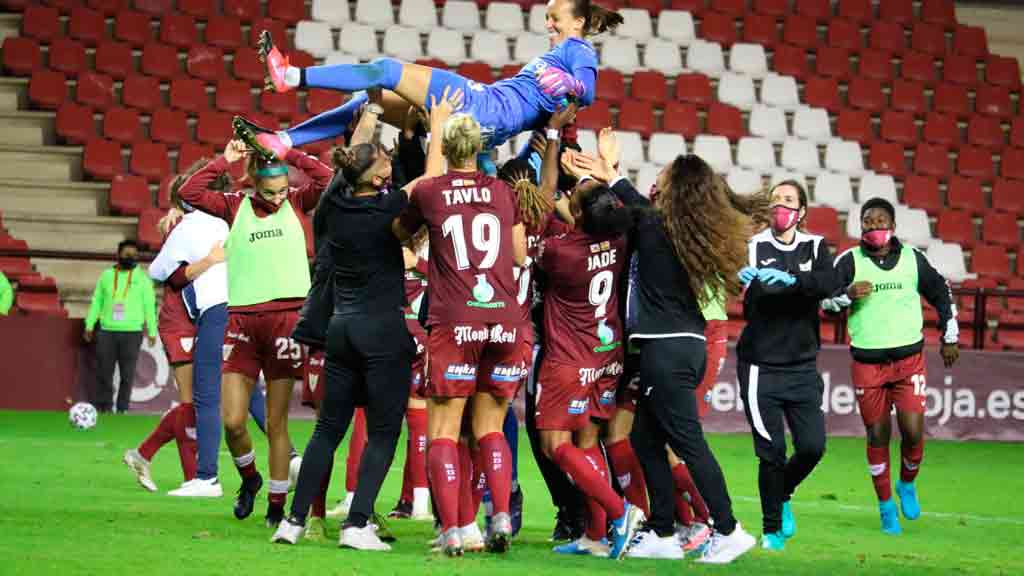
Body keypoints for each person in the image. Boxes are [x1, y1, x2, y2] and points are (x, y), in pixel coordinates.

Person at [571, 134, 763, 563]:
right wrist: (611, 172)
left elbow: (633, 206)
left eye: (664, 177)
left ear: (678, 188)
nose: (658, 182)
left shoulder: (659, 226)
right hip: (685, 346)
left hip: (667, 350)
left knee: (689, 443)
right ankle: (661, 531)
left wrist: (610, 172)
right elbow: (637, 205)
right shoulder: (685, 231)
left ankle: (729, 529)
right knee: (644, 438)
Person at [273, 101, 438, 550]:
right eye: (385, 160)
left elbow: (355, 159)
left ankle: (291, 522)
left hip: (339, 330)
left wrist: (369, 116)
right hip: (384, 331)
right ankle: (357, 524)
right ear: (381, 177)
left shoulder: (331, 208)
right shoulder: (390, 210)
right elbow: (433, 179)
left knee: (328, 429)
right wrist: (438, 127)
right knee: (384, 431)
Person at [392, 105, 532, 556]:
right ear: (481, 150)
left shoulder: (430, 192)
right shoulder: (503, 192)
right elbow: (516, 256)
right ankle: (501, 517)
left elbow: (399, 230)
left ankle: (453, 530)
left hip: (455, 320)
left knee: (445, 432)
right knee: (490, 427)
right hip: (506, 320)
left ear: (446, 148)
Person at [236, 0, 621, 161]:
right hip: (484, 120)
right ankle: (283, 141)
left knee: (387, 70)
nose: (548, 24)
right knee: (368, 102)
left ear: (579, 23)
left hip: (482, 107)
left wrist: (572, 88)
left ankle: (289, 76)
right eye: (547, 18)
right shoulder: (561, 53)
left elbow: (586, 92)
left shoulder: (578, 50)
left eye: (554, 18)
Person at [177, 137, 332, 525]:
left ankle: (276, 507)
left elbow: (329, 180)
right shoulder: (235, 206)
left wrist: (290, 154)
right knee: (232, 422)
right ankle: (250, 479)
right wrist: (224, 160)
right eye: (270, 192)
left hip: (287, 322)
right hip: (242, 323)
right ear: (253, 186)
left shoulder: (298, 202)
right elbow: (188, 191)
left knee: (277, 422)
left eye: (282, 190)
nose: (278, 198)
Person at [532, 118, 643, 559]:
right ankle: (596, 537)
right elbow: (600, 208)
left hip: (569, 360)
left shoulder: (559, 253)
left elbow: (542, 208)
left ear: (576, 215)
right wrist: (606, 166)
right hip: (608, 355)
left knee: (554, 444)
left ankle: (620, 513)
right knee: (586, 442)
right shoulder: (618, 238)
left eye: (574, 195)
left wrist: (550, 158)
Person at [823, 197, 959, 535]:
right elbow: (825, 303)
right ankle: (886, 508)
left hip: (908, 361)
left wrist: (950, 335)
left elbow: (941, 292)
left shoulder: (913, 259)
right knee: (878, 434)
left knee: (913, 431)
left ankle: (907, 483)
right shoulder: (849, 261)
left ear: (892, 227)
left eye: (880, 221)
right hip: (868, 364)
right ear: (861, 227)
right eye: (867, 221)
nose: (873, 227)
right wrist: (848, 295)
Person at [735, 180, 839, 551]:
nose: (781, 206)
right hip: (760, 366)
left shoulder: (814, 246)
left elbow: (829, 282)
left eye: (789, 200)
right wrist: (739, 279)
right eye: (776, 199)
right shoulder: (753, 245)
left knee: (812, 447)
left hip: (801, 365)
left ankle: (783, 492)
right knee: (771, 453)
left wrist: (794, 281)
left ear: (802, 211)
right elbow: (749, 298)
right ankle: (772, 530)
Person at [143, 166, 236, 497]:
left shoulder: (206, 222)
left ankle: (165, 463)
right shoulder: (184, 227)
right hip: (180, 316)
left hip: (200, 313)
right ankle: (195, 474)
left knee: (209, 396)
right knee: (194, 400)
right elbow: (169, 275)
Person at [84, 240, 158, 413]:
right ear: (118, 255)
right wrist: (89, 324)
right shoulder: (106, 276)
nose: (130, 258)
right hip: (106, 331)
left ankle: (122, 409)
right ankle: (104, 407)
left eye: (134, 255)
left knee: (128, 374)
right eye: (126, 254)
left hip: (132, 332)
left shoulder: (143, 279)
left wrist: (153, 331)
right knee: (104, 373)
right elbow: (97, 302)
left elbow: (150, 306)